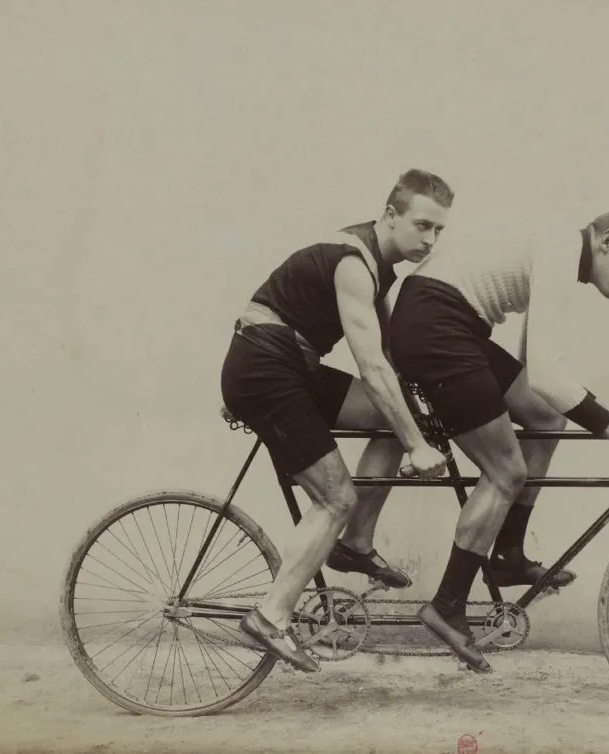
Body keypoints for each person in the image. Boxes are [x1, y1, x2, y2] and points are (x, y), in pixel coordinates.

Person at [387, 206, 609, 672]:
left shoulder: (558, 248)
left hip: (449, 322)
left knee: (546, 418)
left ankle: (508, 555)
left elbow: (536, 377)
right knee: (505, 471)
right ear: (607, 241)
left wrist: (590, 408)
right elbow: (546, 371)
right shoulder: (561, 248)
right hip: (436, 324)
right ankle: (447, 605)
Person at [220, 169, 454, 672]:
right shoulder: (354, 263)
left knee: (398, 415)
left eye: (440, 231)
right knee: (336, 496)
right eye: (422, 226)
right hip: (267, 365)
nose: (430, 240)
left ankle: (354, 543)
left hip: (284, 364)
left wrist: (420, 418)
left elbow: (392, 362)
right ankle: (270, 616)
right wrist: (417, 446)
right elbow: (371, 365)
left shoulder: (379, 266)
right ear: (390, 216)